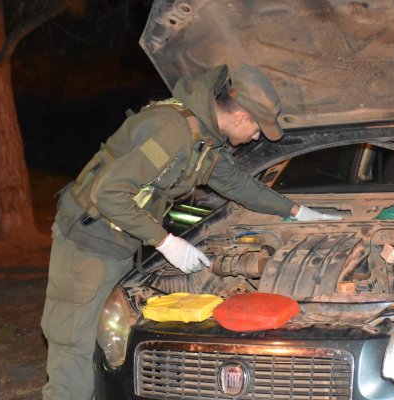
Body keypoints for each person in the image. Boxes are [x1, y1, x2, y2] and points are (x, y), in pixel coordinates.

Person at [40, 64, 340, 399]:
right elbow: (108, 194)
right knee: (74, 351)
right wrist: (166, 242)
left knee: (110, 342)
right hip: (88, 243)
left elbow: (236, 184)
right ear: (241, 116)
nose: (256, 137)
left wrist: (296, 211)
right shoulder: (171, 131)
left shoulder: (205, 140)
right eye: (258, 129)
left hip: (119, 241)